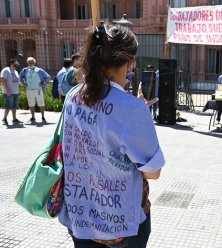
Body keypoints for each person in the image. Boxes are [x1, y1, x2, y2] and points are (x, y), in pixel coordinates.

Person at [59, 24, 165, 248]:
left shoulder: (73, 96)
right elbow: (153, 172)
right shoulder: (133, 109)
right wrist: (139, 112)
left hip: (80, 216)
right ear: (129, 61)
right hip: (120, 225)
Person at [19, 57, 51, 123]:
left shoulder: (39, 70)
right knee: (31, 104)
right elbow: (20, 77)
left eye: (32, 62)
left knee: (41, 104)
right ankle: (33, 117)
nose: (30, 63)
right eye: (29, 62)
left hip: (38, 89)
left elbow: (48, 77)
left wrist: (43, 83)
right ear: (27, 63)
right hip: (29, 90)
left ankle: (43, 117)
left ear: (34, 62)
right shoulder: (25, 70)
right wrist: (23, 82)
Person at [1, 59, 22, 125]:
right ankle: (4, 119)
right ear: (11, 63)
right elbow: (2, 79)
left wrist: (18, 91)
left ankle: (14, 119)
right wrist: (7, 89)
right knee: (8, 106)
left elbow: (16, 82)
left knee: (14, 106)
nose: (16, 65)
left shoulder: (15, 71)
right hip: (8, 92)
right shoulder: (6, 70)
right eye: (15, 64)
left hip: (15, 92)